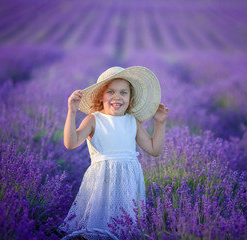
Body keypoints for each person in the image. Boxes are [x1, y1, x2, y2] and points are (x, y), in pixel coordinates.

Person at [58, 66, 169, 240]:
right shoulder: (94, 119)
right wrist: (71, 111)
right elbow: (70, 143)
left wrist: (160, 123)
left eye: (123, 93)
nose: (117, 97)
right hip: (102, 179)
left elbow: (154, 149)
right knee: (97, 224)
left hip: (128, 182)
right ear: (101, 97)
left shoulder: (133, 121)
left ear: (130, 98)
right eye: (111, 92)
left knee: (124, 226)